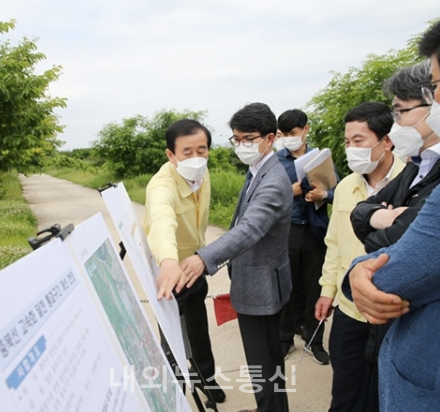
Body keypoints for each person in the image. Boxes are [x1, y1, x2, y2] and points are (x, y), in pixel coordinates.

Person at [343, 2, 440, 410]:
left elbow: (393, 274)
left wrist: (360, 268)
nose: (435, 102)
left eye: (435, 88)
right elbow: (367, 216)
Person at [348, 60, 440, 408]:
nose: (397, 123)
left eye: (401, 112)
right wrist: (380, 219)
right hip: (389, 321)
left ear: (437, 104)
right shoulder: (417, 165)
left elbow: (403, 243)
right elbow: (360, 214)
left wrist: (382, 224)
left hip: (422, 323)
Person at [180, 102, 292, 412]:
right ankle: (268, 407)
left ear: (270, 138)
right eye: (237, 138)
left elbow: (249, 230)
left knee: (264, 362)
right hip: (255, 279)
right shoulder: (258, 169)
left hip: (262, 286)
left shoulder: (273, 181)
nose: (241, 145)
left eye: (249, 138)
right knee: (265, 362)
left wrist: (204, 258)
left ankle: (270, 408)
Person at [315, 102, 404, 412]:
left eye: (359, 141)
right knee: (345, 391)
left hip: (393, 312)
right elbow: (335, 244)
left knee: (385, 392)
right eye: (347, 141)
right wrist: (328, 290)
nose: (351, 149)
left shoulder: (413, 181)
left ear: (387, 140)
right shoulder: (345, 188)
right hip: (350, 310)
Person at [143, 119, 225, 403]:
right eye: (187, 152)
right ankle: (174, 390)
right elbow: (162, 220)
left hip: (194, 265)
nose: (195, 158)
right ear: (171, 155)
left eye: (201, 150)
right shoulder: (161, 186)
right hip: (170, 270)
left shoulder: (203, 173)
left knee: (198, 326)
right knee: (170, 335)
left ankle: (206, 378)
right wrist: (168, 260)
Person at [275, 109, 334, 364]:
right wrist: (292, 192)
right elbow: (266, 198)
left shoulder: (319, 159)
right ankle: (285, 339)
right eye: (284, 134)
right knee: (287, 288)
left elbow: (336, 189)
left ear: (305, 129)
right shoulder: (276, 162)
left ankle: (314, 341)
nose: (289, 138)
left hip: (314, 231)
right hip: (286, 230)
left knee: (314, 287)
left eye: (294, 133)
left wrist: (324, 196)